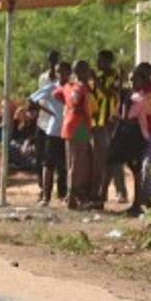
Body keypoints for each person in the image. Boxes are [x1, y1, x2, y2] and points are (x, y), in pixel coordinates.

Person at [54, 59, 96, 210]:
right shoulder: (83, 88)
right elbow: (87, 109)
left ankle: (72, 195)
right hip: (80, 126)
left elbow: (56, 94)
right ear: (82, 72)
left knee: (71, 160)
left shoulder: (68, 86)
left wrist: (68, 106)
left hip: (68, 124)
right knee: (78, 162)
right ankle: (71, 197)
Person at [30, 60, 71, 206]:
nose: (61, 74)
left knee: (67, 165)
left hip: (69, 130)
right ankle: (46, 197)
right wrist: (49, 112)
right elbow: (32, 99)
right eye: (59, 71)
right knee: (48, 164)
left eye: (64, 71)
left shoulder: (72, 88)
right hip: (53, 130)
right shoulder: (51, 87)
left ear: (69, 73)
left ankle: (66, 195)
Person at [91, 49, 125, 205]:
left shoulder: (116, 77)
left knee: (114, 157)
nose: (98, 63)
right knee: (101, 158)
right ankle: (99, 190)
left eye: (101, 60)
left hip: (110, 123)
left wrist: (95, 81)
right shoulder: (99, 78)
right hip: (97, 123)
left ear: (108, 61)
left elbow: (110, 94)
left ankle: (120, 191)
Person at [125, 63, 151, 214]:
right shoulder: (136, 94)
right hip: (139, 135)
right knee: (139, 168)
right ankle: (141, 202)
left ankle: (147, 200)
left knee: (147, 167)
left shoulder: (149, 93)